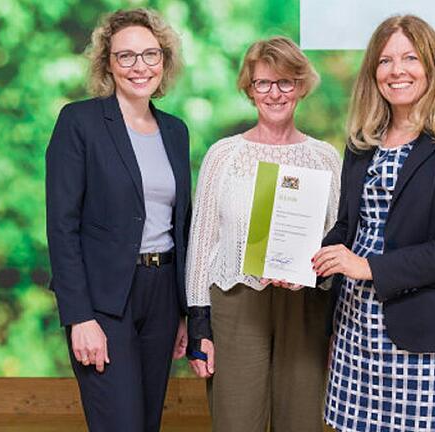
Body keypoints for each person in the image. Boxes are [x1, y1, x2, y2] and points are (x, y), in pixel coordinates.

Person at [312, 15, 435, 432]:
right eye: (384, 61)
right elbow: (347, 228)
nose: (397, 70)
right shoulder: (363, 141)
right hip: (356, 330)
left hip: (427, 332)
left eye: (410, 58)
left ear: (434, 66)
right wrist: (306, 264)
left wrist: (369, 267)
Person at [185, 36, 341, 432]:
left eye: (285, 82)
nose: (275, 93)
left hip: (306, 305)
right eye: (263, 83)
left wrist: (335, 319)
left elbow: (338, 240)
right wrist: (199, 327)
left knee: (303, 421)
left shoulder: (326, 157)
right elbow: (201, 245)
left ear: (301, 86)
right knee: (237, 420)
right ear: (249, 89)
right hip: (236, 303)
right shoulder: (224, 155)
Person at [45, 9, 190, 432]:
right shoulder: (80, 122)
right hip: (105, 302)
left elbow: (181, 223)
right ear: (107, 62)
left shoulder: (175, 131)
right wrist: (79, 317)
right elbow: (62, 227)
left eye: (149, 54)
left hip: (162, 297)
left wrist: (183, 313)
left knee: (145, 424)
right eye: (125, 56)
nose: (139, 66)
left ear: (164, 60)